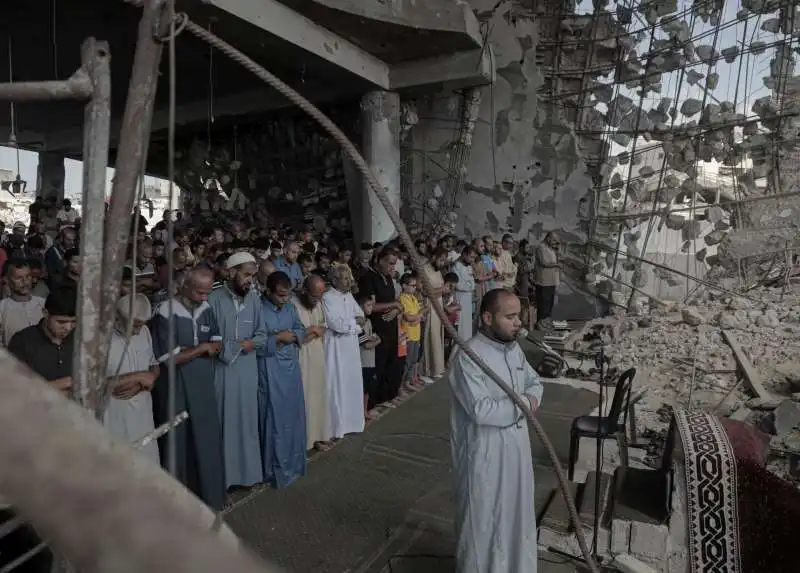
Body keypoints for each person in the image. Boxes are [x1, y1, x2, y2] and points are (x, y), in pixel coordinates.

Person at [449, 288, 544, 573]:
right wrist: (526, 404)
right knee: (484, 522)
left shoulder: (513, 348)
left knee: (516, 515)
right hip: (485, 453)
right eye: (511, 317)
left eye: (520, 316)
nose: (519, 323)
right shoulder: (468, 355)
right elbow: (482, 410)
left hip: (516, 448)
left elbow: (534, 381)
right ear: (488, 317)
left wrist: (529, 399)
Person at [150, 266, 226, 510]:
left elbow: (216, 340)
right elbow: (168, 358)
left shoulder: (205, 308)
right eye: (198, 293)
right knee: (178, 441)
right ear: (183, 287)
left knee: (206, 439)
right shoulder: (165, 312)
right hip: (176, 386)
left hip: (203, 383)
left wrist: (205, 348)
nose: (204, 298)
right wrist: (201, 350)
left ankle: (209, 497)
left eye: (207, 292)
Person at [208, 252, 266, 489]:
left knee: (248, 421)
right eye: (246, 275)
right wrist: (238, 346)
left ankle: (249, 475)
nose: (250, 280)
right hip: (223, 371)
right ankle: (225, 478)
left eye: (253, 276)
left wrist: (250, 344)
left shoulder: (254, 299)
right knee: (225, 422)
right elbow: (210, 338)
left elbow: (262, 334)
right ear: (231, 272)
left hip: (247, 370)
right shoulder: (213, 298)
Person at [258, 271, 308, 488]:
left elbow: (300, 328)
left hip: (291, 367)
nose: (284, 300)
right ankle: (273, 470)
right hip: (269, 368)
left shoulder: (289, 307)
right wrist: (276, 338)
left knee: (293, 416)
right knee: (274, 420)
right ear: (268, 291)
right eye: (280, 295)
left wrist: (293, 336)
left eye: (287, 295)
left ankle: (294, 463)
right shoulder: (257, 308)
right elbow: (252, 340)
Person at [104, 293, 160, 464]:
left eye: (141, 325)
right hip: (113, 414)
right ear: (118, 316)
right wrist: (137, 377)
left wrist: (146, 380)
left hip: (143, 413)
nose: (138, 331)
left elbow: (154, 366)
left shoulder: (145, 332)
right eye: (135, 325)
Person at [322, 264, 365, 437]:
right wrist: (354, 325)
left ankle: (353, 422)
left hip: (351, 346)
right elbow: (336, 325)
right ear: (334, 280)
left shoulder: (349, 296)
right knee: (337, 383)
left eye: (350, 277)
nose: (349, 281)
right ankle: (337, 427)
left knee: (351, 381)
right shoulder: (327, 297)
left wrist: (352, 324)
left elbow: (361, 315)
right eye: (345, 278)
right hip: (336, 346)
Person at [7, 287, 76, 395]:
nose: (68, 328)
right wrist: (62, 384)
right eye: (61, 322)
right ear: (45, 314)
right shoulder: (23, 341)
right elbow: (14, 389)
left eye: (73, 322)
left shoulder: (80, 340)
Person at [359, 248, 404, 404]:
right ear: (380, 260)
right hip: (377, 328)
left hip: (391, 327)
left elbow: (397, 302)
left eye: (394, 264)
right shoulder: (369, 278)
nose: (393, 268)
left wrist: (396, 308)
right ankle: (373, 403)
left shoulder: (389, 278)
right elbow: (372, 306)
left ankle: (387, 397)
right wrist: (394, 305)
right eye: (390, 263)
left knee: (390, 367)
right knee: (377, 367)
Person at [293, 275, 330, 451]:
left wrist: (314, 330)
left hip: (317, 354)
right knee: (306, 398)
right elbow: (297, 336)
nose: (317, 300)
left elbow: (322, 328)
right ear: (304, 291)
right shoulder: (292, 304)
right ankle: (305, 441)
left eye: (320, 296)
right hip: (301, 356)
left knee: (318, 395)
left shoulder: (318, 304)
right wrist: (312, 331)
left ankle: (318, 437)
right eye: (315, 296)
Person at [0, 259, 46, 347]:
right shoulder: (2, 310)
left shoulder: (44, 304)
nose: (25, 281)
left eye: (28, 276)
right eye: (18, 278)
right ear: (6, 280)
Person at [356, 292, 380, 416]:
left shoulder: (369, 321)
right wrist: (377, 341)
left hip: (370, 360)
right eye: (368, 305)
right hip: (363, 361)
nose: (371, 308)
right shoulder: (359, 324)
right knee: (363, 388)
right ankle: (361, 412)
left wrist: (374, 340)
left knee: (368, 388)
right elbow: (366, 344)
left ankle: (365, 411)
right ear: (360, 307)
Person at [398, 273, 421, 389]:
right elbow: (408, 317)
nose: (414, 288)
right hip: (408, 335)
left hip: (416, 333)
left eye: (415, 286)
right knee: (406, 363)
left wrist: (417, 316)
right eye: (412, 285)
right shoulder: (402, 298)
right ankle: (400, 386)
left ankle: (407, 382)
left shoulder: (414, 298)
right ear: (404, 286)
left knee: (413, 360)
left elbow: (417, 315)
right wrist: (418, 316)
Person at [534, 232, 561, 330]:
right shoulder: (541, 247)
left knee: (549, 304)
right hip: (543, 282)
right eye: (554, 240)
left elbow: (554, 260)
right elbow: (544, 262)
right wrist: (556, 265)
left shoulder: (551, 249)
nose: (555, 242)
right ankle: (540, 325)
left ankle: (545, 323)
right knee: (543, 304)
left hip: (551, 281)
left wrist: (557, 248)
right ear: (548, 238)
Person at [452, 247, 476, 341]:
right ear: (464, 254)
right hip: (459, 298)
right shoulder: (456, 266)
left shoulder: (469, 266)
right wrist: (469, 286)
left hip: (468, 299)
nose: (472, 260)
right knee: (461, 327)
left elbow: (473, 283)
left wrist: (470, 285)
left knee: (467, 326)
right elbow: (458, 285)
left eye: (474, 258)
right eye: (471, 257)